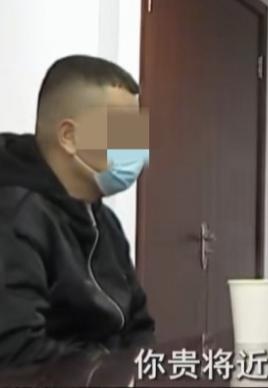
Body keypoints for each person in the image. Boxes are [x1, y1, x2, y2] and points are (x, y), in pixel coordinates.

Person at [0, 55, 155, 367]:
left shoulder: (105, 220)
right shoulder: (15, 215)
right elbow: (17, 350)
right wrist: (111, 370)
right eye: (122, 131)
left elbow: (139, 326)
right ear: (69, 137)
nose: (136, 147)